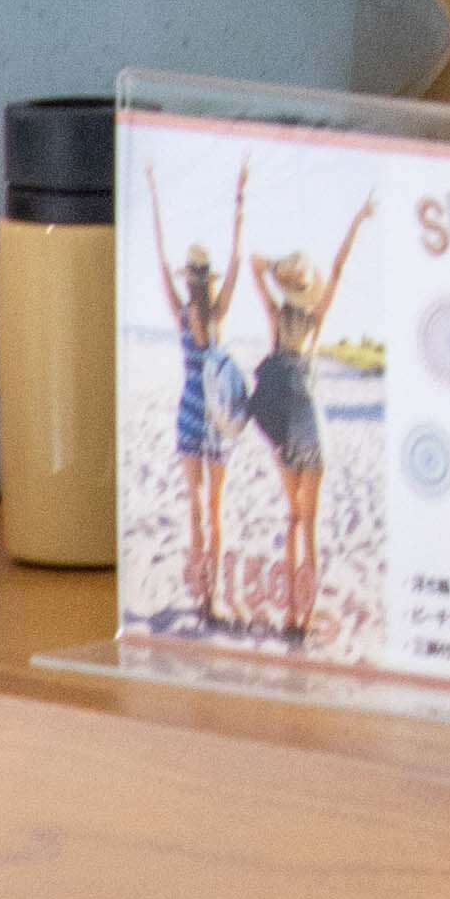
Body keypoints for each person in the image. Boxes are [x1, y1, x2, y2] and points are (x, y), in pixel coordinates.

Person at [245, 198, 375, 644]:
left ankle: (290, 613)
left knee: (292, 520)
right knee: (311, 525)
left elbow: (254, 266)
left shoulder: (277, 319)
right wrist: (356, 220)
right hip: (309, 427)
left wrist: (276, 267)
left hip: (282, 426)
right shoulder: (315, 322)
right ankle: (307, 609)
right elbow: (337, 268)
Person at [148, 154, 250, 633]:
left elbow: (161, 257)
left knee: (199, 506)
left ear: (190, 277)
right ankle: (210, 598)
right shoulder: (215, 313)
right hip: (211, 413)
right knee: (212, 509)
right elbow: (236, 260)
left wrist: (153, 192)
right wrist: (239, 199)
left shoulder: (187, 312)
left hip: (192, 410)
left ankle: (207, 595)